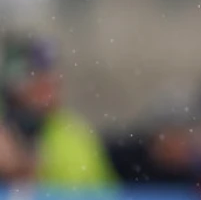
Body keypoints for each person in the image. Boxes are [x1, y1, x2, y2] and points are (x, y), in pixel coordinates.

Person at [0, 34, 117, 189]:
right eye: (39, 81)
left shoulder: (75, 134)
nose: (50, 91)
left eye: (53, 82)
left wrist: (32, 172)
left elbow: (103, 197)